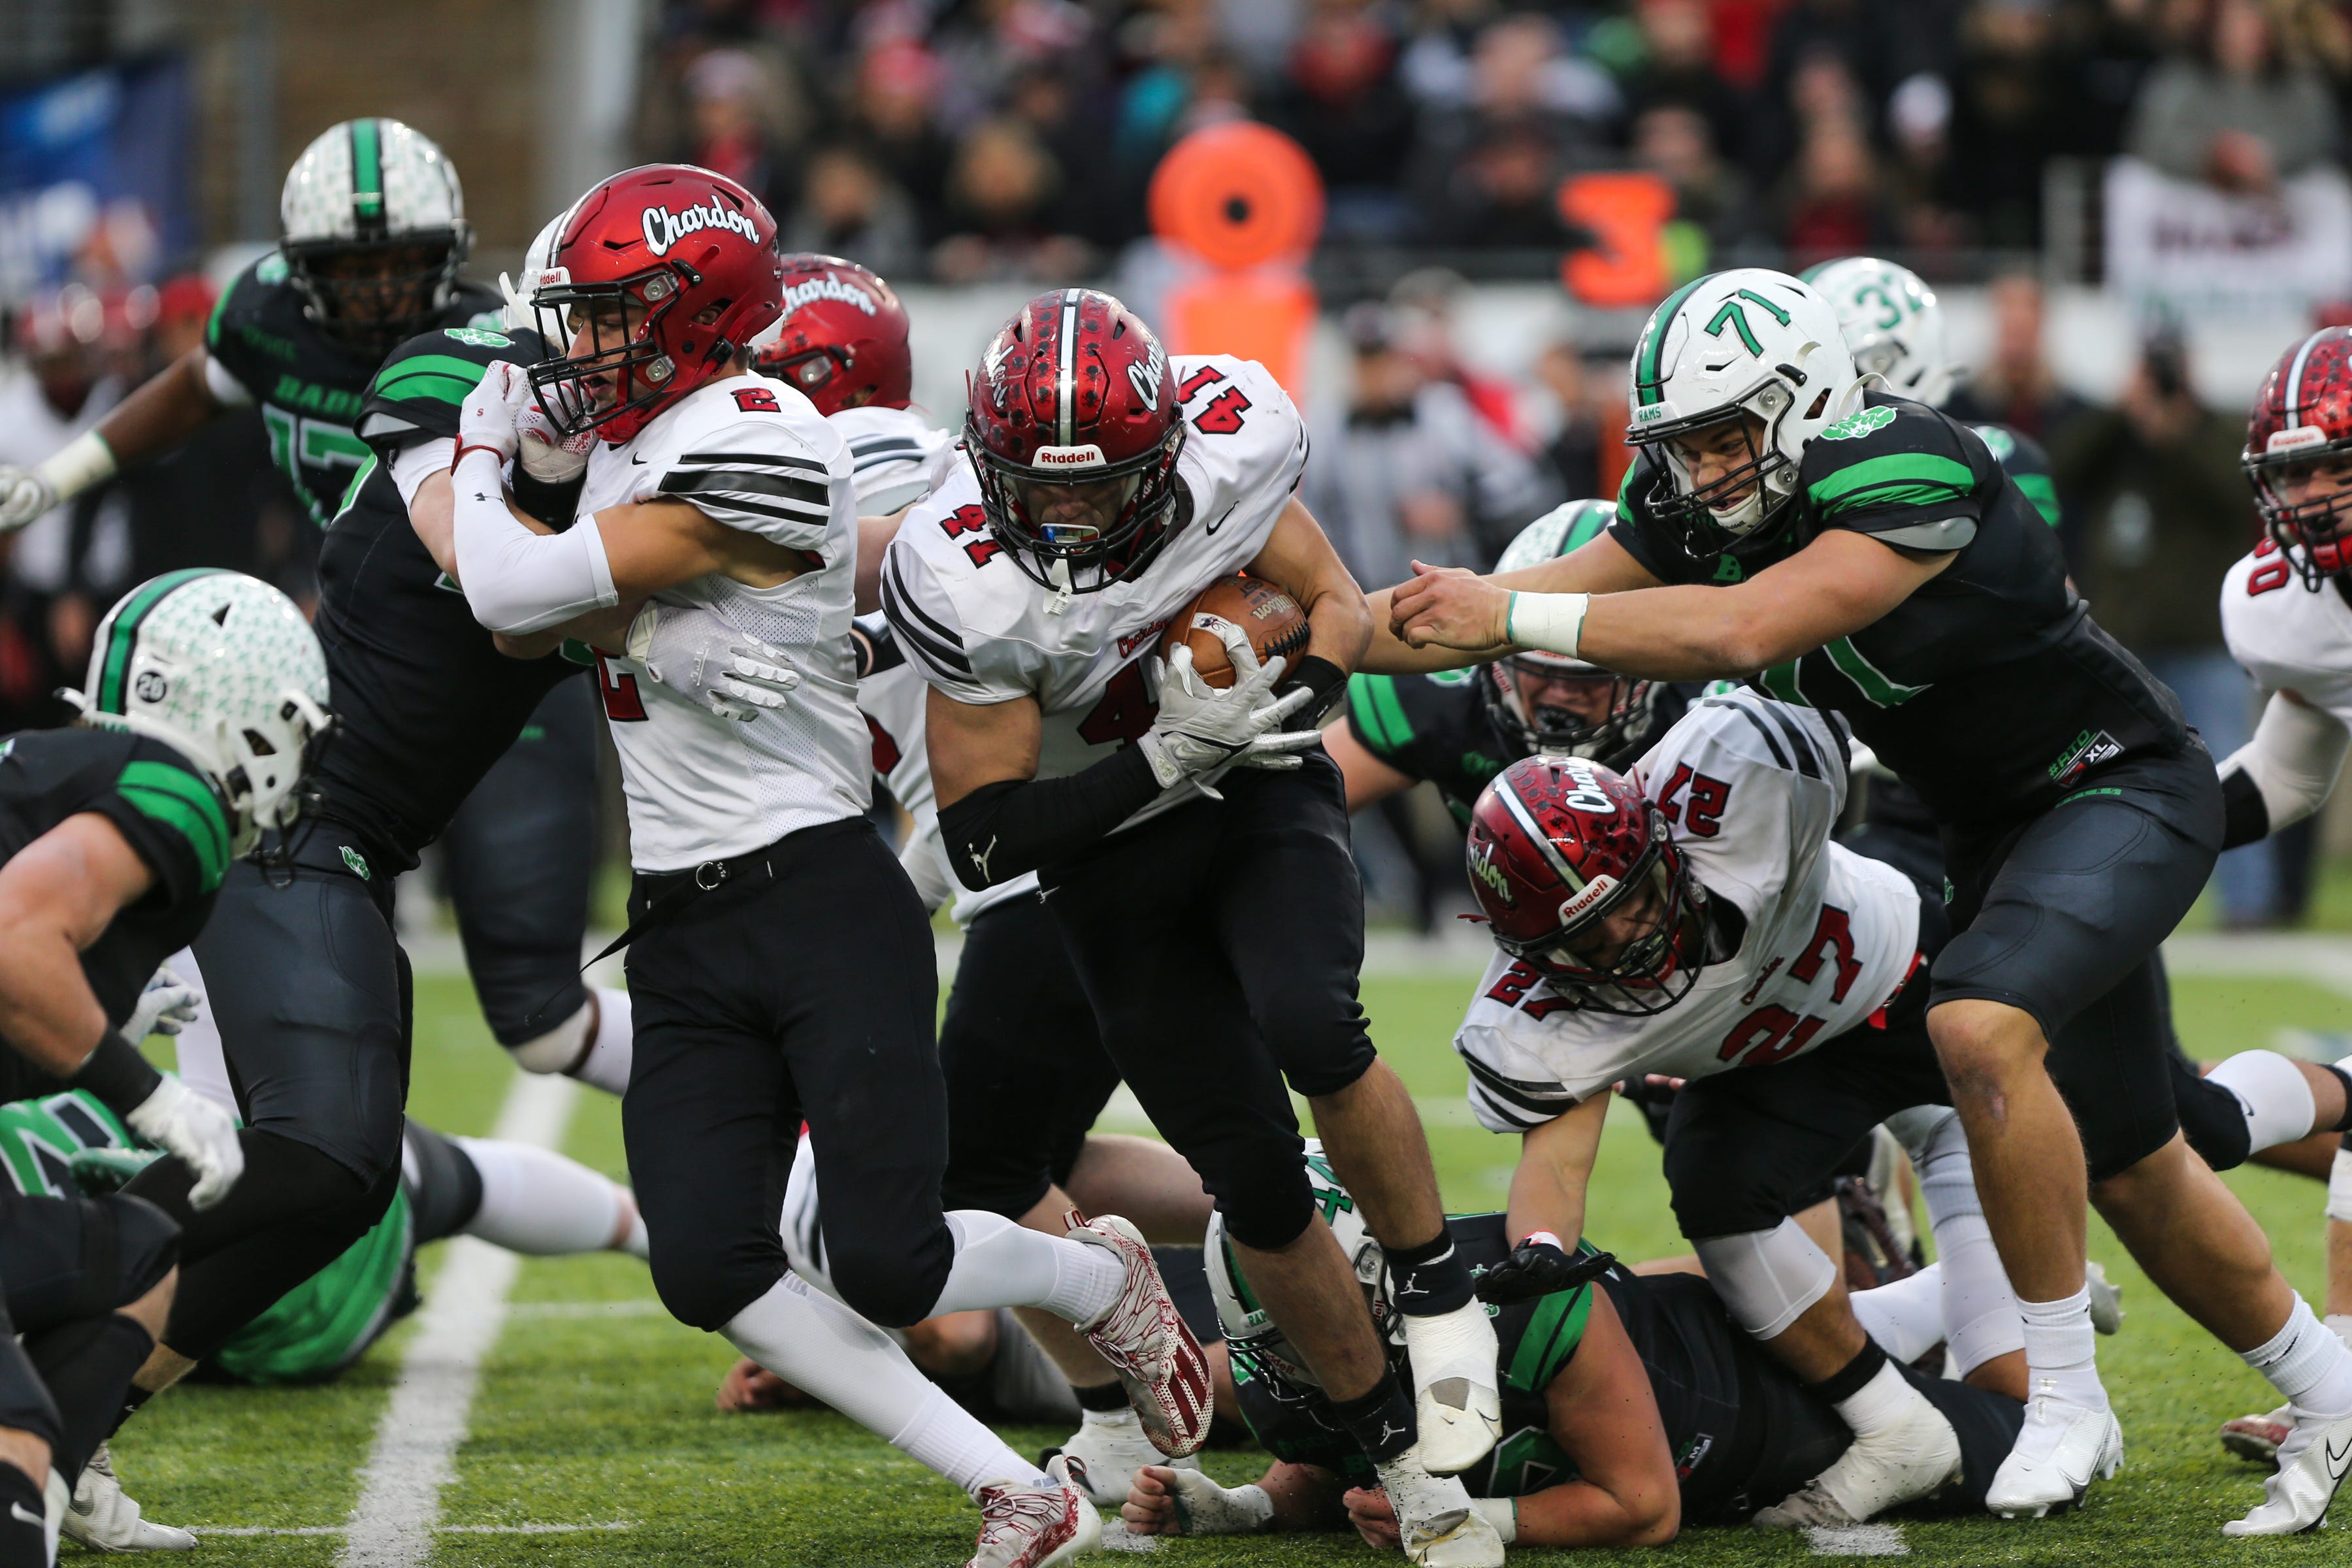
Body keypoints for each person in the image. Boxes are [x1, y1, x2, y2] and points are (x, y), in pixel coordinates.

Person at [1369, 266, 2352, 1533]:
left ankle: (2065, 1394)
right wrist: (1315, 624)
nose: (1706, 470)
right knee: (2135, 1153)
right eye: (1685, 445)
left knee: (1981, 1024)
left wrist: (1506, 615)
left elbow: (1741, 631)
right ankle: (2327, 1396)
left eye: (1729, 435)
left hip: (2102, 783)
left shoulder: (1920, 463)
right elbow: (1527, 599)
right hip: (1983, 831)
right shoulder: (2286, 608)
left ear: (1814, 399)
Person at [443, 167, 1208, 1568]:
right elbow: (508, 631)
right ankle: (1018, 1492)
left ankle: (1091, 1273)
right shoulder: (631, 444)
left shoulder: (764, 428)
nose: (575, 348)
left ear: (694, 314)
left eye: (608, 318)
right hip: (676, 915)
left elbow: (501, 588)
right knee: (710, 1265)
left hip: (817, 892)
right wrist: (561, 542)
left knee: (891, 1258)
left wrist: (477, 458)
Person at [887, 288, 1508, 1566]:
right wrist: (1159, 756)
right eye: (1039, 487)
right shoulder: (956, 569)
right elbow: (988, 839)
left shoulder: (1237, 442)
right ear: (984, 462)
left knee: (1312, 1020)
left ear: (1168, 450)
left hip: (1258, 780)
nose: (1067, 514)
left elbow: (1334, 608)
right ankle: (1394, 1447)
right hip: (1102, 850)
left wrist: (1297, 693)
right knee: (1253, 1177)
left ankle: (1439, 1300)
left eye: (1102, 485)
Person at [0, 125, 619, 1100]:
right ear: (301, 269)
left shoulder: (494, 350)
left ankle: (759, 1105)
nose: (377, 289)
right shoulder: (267, 321)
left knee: (535, 1012)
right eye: (352, 268)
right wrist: (63, 478)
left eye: (400, 264)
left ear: (449, 255)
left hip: (509, 661)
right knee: (281, 898)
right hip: (353, 658)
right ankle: (284, 1137)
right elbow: (194, 391)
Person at [1446, 691, 2019, 1529]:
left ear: (1659, 838)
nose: (1631, 943)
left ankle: (2073, 1367)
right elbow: (1557, 1164)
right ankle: (1895, 1424)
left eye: (1633, 902)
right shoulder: (1537, 1015)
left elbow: (1822, 682)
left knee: (2152, 1128)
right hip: (1784, 1065)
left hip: (1917, 984)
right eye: (1587, 945)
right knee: (1714, 1180)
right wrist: (1538, 1253)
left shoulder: (1735, 775)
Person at [1121, 1157, 2025, 1550]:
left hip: (1752, 1407)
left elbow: (1643, 1507)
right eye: (1280, 1338)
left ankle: (2018, 1285)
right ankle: (1924, 1294)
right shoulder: (1276, 1370)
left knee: (2024, 1439)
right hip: (1690, 1366)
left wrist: (1480, 1525)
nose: (1305, 1359)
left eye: (1317, 1324)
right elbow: (1334, 1464)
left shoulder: (1520, 1308)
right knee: (1891, 1321)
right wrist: (1244, 1508)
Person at [0, 568, 329, 1565]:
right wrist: (146, 1094)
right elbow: (14, 941)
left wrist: (101, 1013)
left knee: (138, 1256)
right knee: (10, 1455)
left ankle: (59, 1481)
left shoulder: (57, 772)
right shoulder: (175, 794)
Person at [2193, 323, 2352, 1477]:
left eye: (2333, 464)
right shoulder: (2283, 607)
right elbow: (2295, 761)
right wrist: (2139, 824)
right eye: (2288, 471)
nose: (2307, 495)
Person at [1330, 498, 1684, 820]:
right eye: (1542, 672)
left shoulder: (1705, 715)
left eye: (1594, 676)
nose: (1561, 693)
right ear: (1497, 660)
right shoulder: (1442, 700)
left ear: (1648, 670)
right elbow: (1300, 801)